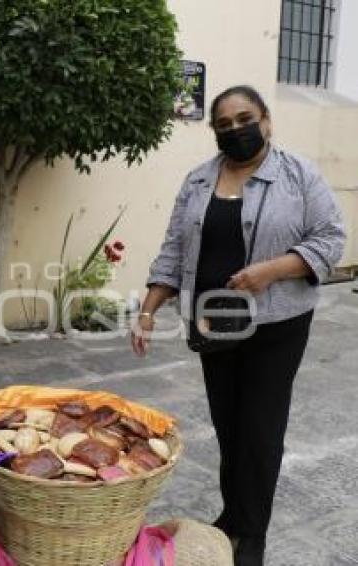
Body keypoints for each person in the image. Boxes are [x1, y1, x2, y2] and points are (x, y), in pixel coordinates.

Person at [132, 85, 345, 566]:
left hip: (276, 323)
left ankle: (252, 537)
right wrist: (148, 309)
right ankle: (234, 515)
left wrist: (271, 270)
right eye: (224, 125)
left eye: (244, 119)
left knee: (260, 431)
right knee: (229, 427)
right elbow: (173, 249)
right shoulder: (197, 181)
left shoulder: (298, 175)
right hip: (214, 322)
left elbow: (331, 239)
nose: (236, 130)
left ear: (266, 120)